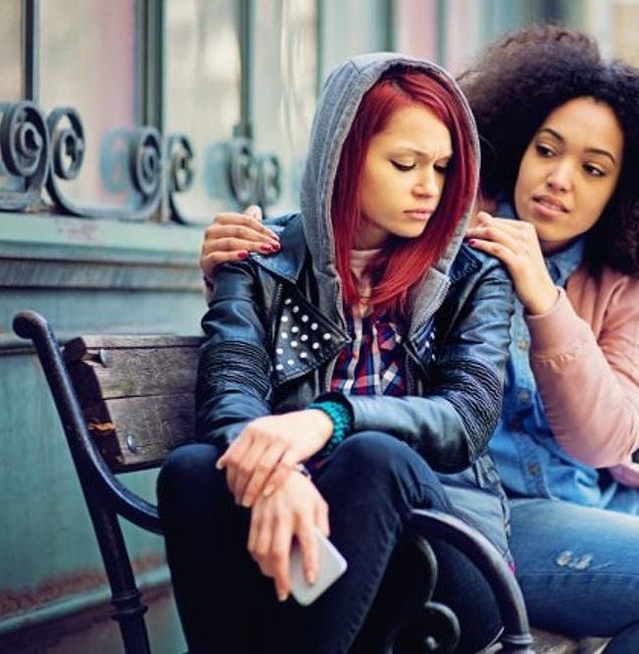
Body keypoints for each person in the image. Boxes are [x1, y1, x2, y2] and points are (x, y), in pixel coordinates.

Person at [201, 27, 639, 654]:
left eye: (593, 169)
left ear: (625, 189)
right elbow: (339, 235)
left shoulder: (630, 280)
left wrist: (547, 303)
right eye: (547, 151)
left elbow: (606, 439)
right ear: (518, 146)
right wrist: (235, 264)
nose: (560, 179)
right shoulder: (448, 229)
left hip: (591, 494)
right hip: (492, 506)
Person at [159, 53, 515, 654]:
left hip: (449, 559)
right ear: (344, 156)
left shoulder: (475, 273)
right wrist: (280, 475)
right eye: (405, 163)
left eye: (443, 167)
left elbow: (466, 418)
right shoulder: (262, 258)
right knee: (192, 470)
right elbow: (230, 392)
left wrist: (330, 419)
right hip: (302, 545)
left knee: (372, 456)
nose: (429, 187)